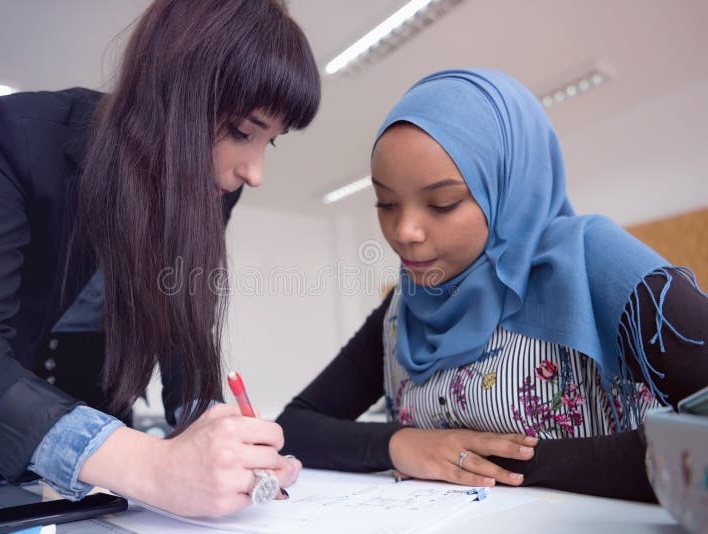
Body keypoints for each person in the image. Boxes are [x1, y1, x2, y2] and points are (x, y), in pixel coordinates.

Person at [0, 0, 320, 517]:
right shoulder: (17, 136)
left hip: (100, 451)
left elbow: (181, 331)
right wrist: (150, 466)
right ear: (169, 90)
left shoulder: (214, 188)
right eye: (242, 131)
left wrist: (216, 433)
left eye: (270, 142)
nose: (254, 172)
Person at [277, 68, 707, 502]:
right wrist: (400, 443)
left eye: (442, 204)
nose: (404, 231)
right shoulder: (404, 309)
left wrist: (503, 462)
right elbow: (295, 426)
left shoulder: (593, 260)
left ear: (506, 187)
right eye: (386, 203)